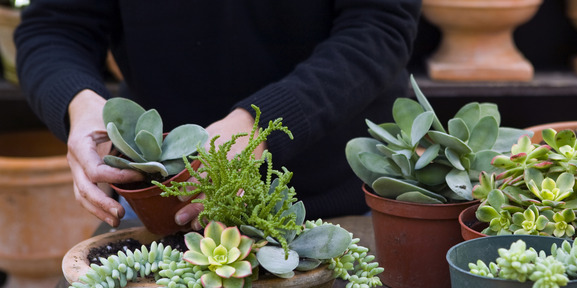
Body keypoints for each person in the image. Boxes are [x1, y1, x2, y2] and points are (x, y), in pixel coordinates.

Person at [14, 0, 421, 229]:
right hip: (162, 207)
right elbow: (54, 28)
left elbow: (378, 26)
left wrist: (259, 127)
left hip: (343, 210)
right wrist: (80, 106)